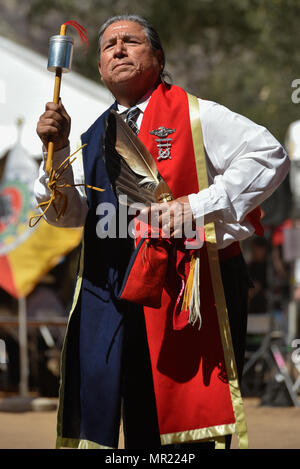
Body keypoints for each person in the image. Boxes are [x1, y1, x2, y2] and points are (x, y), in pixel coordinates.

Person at [35, 15, 290, 450]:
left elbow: (269, 155)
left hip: (190, 292)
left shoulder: (197, 114)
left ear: (157, 57)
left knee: (187, 427)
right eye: (108, 45)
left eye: (130, 42)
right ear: (99, 69)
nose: (117, 49)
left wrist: (196, 206)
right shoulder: (92, 135)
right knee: (138, 423)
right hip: (117, 294)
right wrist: (54, 156)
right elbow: (69, 214)